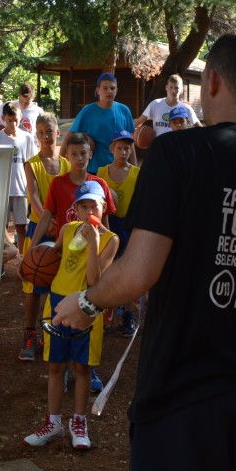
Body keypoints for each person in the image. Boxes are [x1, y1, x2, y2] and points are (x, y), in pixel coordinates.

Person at [53, 30, 236, 471]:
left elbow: (140, 271)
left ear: (212, 81)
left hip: (183, 394)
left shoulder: (179, 153)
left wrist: (87, 303)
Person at [24, 181, 117, 450]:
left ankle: (79, 423)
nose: (89, 212)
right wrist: (30, 266)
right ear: (75, 209)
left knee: (82, 367)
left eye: (94, 206)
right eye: (83, 206)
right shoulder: (67, 229)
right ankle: (53, 424)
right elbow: (51, 259)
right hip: (56, 302)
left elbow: (95, 280)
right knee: (55, 366)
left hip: (86, 306)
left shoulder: (111, 239)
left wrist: (94, 243)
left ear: (103, 207)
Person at [19, 113, 69, 361]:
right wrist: (47, 222)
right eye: (40, 133)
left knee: (57, 284)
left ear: (57, 133)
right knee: (34, 284)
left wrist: (58, 224)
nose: (45, 136)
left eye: (49, 131)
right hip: (38, 230)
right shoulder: (32, 164)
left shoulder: (67, 164)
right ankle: (29, 333)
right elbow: (35, 197)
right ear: (36, 136)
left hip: (62, 230)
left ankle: (50, 333)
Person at [97, 129, 141, 337]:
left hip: (127, 225)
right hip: (107, 224)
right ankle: (107, 312)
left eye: (127, 148)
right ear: (111, 148)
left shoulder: (137, 173)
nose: (123, 152)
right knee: (106, 269)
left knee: (128, 271)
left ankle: (128, 314)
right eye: (119, 148)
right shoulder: (102, 172)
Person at [62, 72, 137, 173]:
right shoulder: (87, 111)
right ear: (98, 90)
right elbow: (70, 136)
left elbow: (130, 143)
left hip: (119, 171)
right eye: (105, 88)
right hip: (95, 171)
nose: (109, 91)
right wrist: (60, 163)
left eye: (112, 88)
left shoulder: (124, 110)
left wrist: (135, 170)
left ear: (117, 90)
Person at [0, 102, 35, 252]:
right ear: (3, 118)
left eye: (16, 120)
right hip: (2, 189)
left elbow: (30, 163)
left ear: (20, 117)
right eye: (10, 120)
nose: (13, 124)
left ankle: (22, 257)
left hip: (21, 188)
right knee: (0, 227)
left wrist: (31, 186)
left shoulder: (27, 138)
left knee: (21, 226)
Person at [134, 74, 200, 137]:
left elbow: (199, 129)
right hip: (159, 144)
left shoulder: (186, 108)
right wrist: (129, 135)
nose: (173, 91)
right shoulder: (155, 104)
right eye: (171, 87)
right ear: (166, 87)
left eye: (176, 88)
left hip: (177, 144)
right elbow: (139, 121)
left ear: (181, 89)